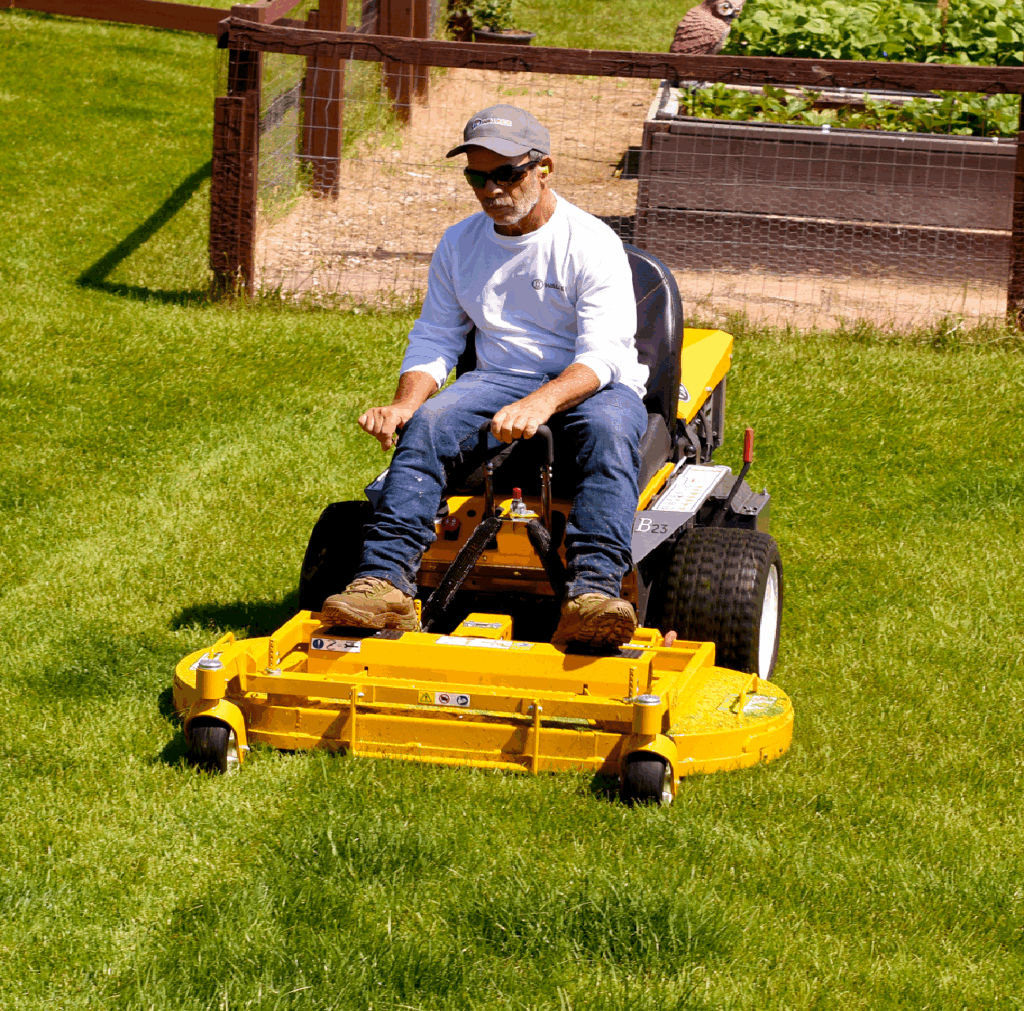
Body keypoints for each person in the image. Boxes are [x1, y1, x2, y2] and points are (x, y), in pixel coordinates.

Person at [321, 104, 649, 648]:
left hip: (594, 382)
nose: (491, 188)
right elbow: (436, 338)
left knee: (609, 431)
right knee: (428, 424)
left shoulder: (591, 243)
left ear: (544, 167)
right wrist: (405, 403)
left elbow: (604, 355)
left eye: (506, 173)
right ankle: (384, 584)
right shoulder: (459, 243)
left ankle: (593, 593)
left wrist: (541, 403)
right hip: (499, 377)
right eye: (477, 175)